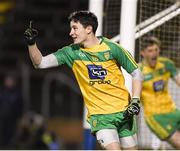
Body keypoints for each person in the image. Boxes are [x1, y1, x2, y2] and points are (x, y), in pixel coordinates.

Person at [24, 10, 142, 150]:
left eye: (75, 28)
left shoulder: (112, 48)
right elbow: (40, 63)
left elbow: (136, 73)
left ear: (88, 29)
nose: (71, 33)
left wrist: (135, 100)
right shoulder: (71, 53)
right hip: (101, 117)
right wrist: (31, 43)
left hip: (125, 113)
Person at [139, 36, 180, 149]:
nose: (154, 53)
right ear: (143, 53)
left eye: (156, 50)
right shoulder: (138, 71)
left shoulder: (166, 64)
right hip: (156, 117)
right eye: (150, 51)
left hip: (173, 111)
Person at [0, 73, 24, 149]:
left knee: (11, 136)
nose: (8, 82)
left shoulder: (17, 93)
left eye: (10, 80)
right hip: (3, 118)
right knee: (4, 135)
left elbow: (21, 106)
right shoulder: (2, 93)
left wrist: (20, 116)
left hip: (13, 119)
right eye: (7, 80)